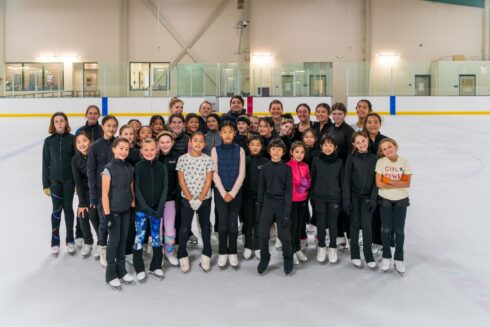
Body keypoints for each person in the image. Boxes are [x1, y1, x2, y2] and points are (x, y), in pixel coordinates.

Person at [175, 132, 214, 273]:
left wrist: (200, 199)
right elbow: (181, 181)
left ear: (204, 144)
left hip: (204, 199)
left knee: (205, 226)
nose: (198, 143)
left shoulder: (208, 160)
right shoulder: (182, 159)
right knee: (184, 227)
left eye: (201, 141)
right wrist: (191, 198)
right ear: (190, 142)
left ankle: (207, 253)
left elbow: (209, 181)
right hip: (187, 199)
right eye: (195, 140)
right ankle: (182, 253)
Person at [211, 122, 246, 269]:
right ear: (220, 134)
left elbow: (242, 173)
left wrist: (232, 193)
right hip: (220, 192)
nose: (227, 134)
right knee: (223, 223)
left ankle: (232, 252)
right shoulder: (215, 150)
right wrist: (224, 192)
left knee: (233, 223)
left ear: (234, 133)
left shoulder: (240, 150)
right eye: (224, 132)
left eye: (230, 132)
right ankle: (222, 252)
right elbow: (215, 173)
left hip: (236, 192)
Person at [101, 137, 135, 289]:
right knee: (113, 242)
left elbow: (131, 187)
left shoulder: (129, 167)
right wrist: (107, 215)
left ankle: (121, 270)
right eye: (121, 148)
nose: (124, 151)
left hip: (126, 210)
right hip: (113, 211)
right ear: (114, 149)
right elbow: (104, 195)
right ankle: (110, 273)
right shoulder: (108, 169)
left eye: (126, 149)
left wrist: (132, 204)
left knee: (123, 240)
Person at [256, 138, 293, 275]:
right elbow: (261, 191)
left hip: (282, 204)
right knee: (263, 234)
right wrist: (259, 210)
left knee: (284, 236)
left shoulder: (287, 169)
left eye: (279, 149)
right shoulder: (265, 168)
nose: (276, 151)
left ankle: (288, 258)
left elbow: (289, 191)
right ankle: (265, 257)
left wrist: (287, 212)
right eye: (273, 148)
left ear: (283, 152)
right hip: (268, 204)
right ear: (269, 150)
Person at [133, 138, 168, 282]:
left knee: (156, 237)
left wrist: (160, 207)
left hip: (157, 209)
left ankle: (155, 265)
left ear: (157, 150)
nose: (149, 152)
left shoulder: (162, 167)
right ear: (141, 151)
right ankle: (139, 267)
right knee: (140, 237)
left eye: (152, 149)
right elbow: (137, 188)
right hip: (142, 209)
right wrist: (145, 207)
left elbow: (165, 187)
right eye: (146, 150)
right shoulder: (138, 167)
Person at [375, 138, 412, 274]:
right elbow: (379, 183)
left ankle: (399, 257)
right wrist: (397, 181)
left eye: (389, 147)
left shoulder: (405, 162)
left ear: (395, 146)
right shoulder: (380, 162)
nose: (387, 150)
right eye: (384, 149)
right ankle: (386, 256)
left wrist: (388, 180)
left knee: (399, 230)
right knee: (385, 229)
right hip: (385, 198)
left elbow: (406, 184)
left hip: (401, 199)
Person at [42, 112, 76, 257]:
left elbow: (76, 162)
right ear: (53, 124)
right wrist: (45, 184)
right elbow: (45, 163)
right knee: (56, 210)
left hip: (69, 181)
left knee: (68, 209)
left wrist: (77, 183)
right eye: (56, 121)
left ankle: (70, 239)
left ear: (66, 122)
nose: (60, 123)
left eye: (62, 121)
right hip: (54, 182)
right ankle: (55, 241)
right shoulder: (48, 141)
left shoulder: (73, 139)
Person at [343, 131, 378, 269]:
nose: (361, 144)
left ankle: (368, 254)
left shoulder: (374, 159)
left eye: (363, 141)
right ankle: (355, 254)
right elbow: (346, 180)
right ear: (354, 144)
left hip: (367, 198)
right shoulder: (351, 159)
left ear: (367, 140)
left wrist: (373, 198)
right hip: (354, 197)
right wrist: (346, 199)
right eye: (358, 142)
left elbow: (376, 182)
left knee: (367, 226)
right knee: (355, 224)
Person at [87, 115, 118, 267]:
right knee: (104, 221)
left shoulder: (118, 143)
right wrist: (93, 195)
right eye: (109, 125)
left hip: (117, 191)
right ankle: (102, 248)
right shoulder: (95, 146)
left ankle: (114, 248)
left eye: (114, 126)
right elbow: (91, 171)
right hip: (101, 192)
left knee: (116, 221)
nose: (111, 129)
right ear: (103, 127)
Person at [311, 135, 343, 264]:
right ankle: (322, 246)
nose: (328, 147)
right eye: (325, 145)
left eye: (330, 145)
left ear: (335, 147)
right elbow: (313, 179)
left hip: (334, 197)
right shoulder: (316, 160)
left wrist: (341, 196)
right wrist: (312, 196)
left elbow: (342, 181)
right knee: (321, 223)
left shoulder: (340, 161)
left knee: (333, 224)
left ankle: (333, 247)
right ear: (321, 146)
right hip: (319, 197)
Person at [72, 132, 100, 258]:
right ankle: (88, 241)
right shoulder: (75, 160)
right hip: (84, 191)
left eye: (84, 140)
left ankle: (101, 242)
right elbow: (78, 182)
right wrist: (82, 202)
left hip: (96, 191)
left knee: (93, 215)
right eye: (78, 142)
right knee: (81, 213)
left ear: (90, 141)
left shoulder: (95, 155)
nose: (81, 144)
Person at [242, 135, 269, 260]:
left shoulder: (265, 162)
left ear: (262, 147)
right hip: (246, 197)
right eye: (252, 145)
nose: (255, 147)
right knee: (248, 221)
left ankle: (258, 246)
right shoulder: (244, 160)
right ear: (248, 146)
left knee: (258, 222)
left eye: (258, 145)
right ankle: (248, 245)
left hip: (260, 198)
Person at [157, 131, 181, 266]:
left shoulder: (177, 157)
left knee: (170, 228)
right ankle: (158, 252)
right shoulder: (154, 157)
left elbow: (180, 180)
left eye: (167, 142)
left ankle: (170, 251)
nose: (165, 145)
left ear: (172, 143)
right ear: (158, 144)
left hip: (171, 200)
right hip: (156, 201)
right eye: (162, 142)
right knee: (157, 228)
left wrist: (178, 199)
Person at [287, 141, 310, 265]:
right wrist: (298, 184)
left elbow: (308, 179)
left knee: (300, 225)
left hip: (302, 200)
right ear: (291, 152)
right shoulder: (287, 166)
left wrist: (305, 185)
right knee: (293, 226)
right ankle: (291, 250)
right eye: (297, 152)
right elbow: (289, 183)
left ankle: (297, 248)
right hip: (292, 201)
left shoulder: (305, 166)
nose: (300, 154)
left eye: (302, 152)